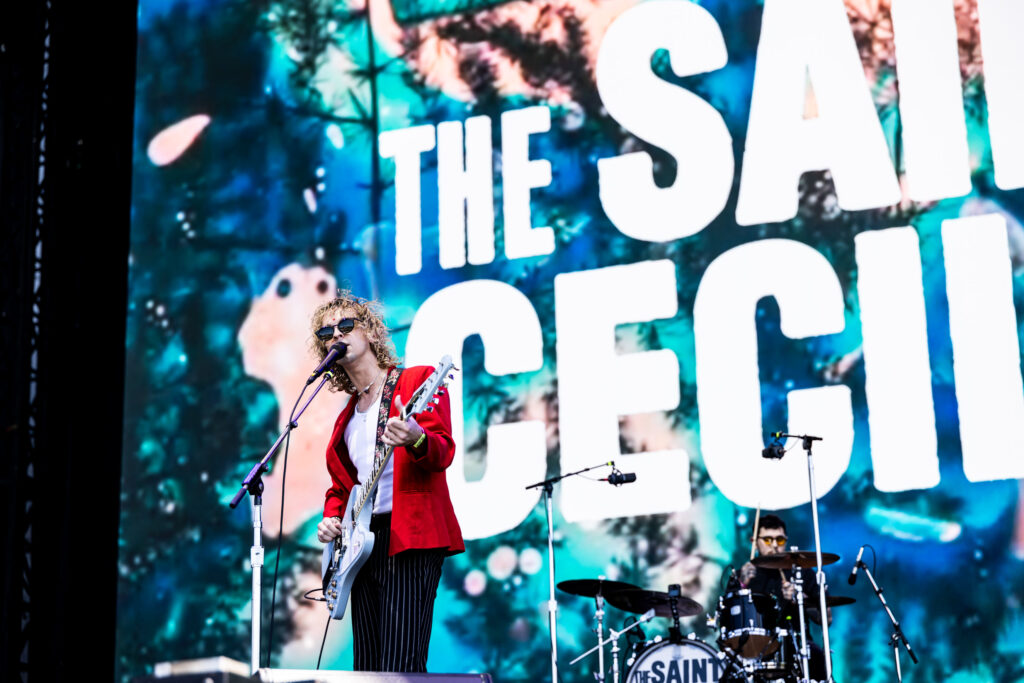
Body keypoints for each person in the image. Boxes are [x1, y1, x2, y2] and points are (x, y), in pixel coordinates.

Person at [312, 292, 464, 673]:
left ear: (370, 332)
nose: (336, 335)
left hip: (409, 536)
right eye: (326, 332)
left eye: (346, 325)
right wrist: (332, 518)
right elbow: (342, 488)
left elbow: (442, 452)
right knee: (367, 669)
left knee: (401, 665)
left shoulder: (416, 382)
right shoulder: (347, 418)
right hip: (360, 546)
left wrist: (415, 437)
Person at [735, 514, 829, 681]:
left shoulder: (802, 572)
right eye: (767, 540)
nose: (774, 545)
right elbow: (726, 618)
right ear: (754, 542)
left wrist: (800, 597)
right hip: (754, 649)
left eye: (779, 540)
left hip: (797, 647)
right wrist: (742, 585)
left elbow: (827, 619)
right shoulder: (743, 574)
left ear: (786, 541)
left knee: (816, 655)